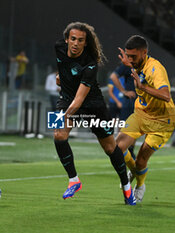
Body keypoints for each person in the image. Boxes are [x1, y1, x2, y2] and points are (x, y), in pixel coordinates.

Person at [53, 22, 136, 205]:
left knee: (110, 148)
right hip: (67, 98)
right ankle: (74, 180)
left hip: (93, 105)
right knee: (58, 133)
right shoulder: (58, 47)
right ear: (67, 39)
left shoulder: (90, 64)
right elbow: (64, 65)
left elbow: (79, 101)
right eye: (72, 39)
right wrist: (62, 77)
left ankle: (126, 187)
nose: (75, 43)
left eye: (80, 40)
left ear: (85, 43)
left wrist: (64, 117)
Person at [115, 35, 175, 202]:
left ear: (144, 53)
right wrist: (129, 64)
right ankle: (135, 173)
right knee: (116, 149)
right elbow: (135, 69)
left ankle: (140, 184)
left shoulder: (156, 69)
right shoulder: (135, 64)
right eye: (128, 56)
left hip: (162, 120)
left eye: (133, 56)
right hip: (142, 114)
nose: (130, 60)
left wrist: (142, 87)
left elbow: (165, 95)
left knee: (141, 160)